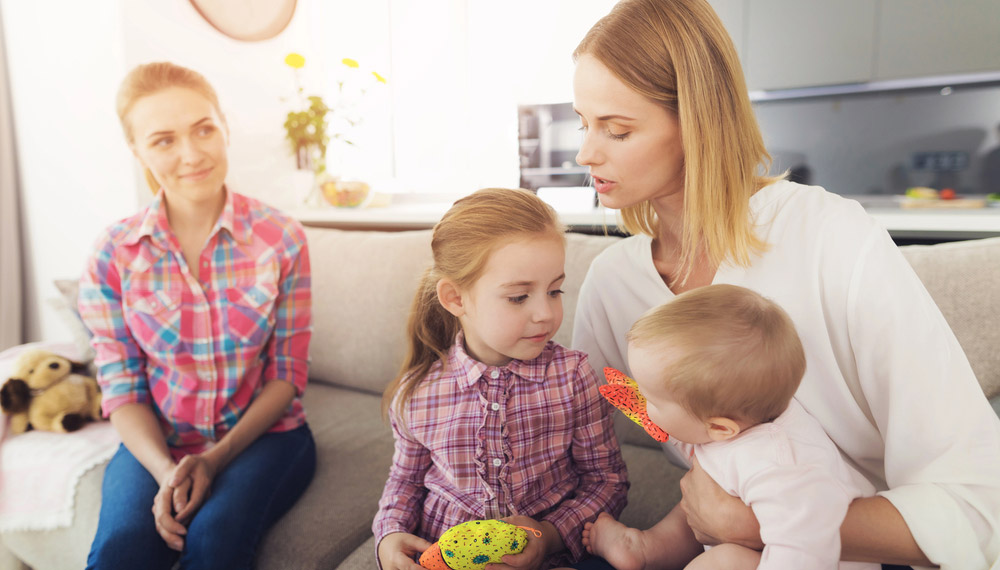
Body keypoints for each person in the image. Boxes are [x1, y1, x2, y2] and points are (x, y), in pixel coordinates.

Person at [569, 0, 1000, 568]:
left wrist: (749, 519)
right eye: (583, 122)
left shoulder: (829, 236)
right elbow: (592, 412)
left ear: (695, 123)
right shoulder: (614, 282)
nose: (585, 153)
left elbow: (981, 509)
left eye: (617, 130)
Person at [78, 62, 316, 570]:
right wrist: (167, 471)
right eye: (163, 140)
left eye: (204, 129)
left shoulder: (282, 238)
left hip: (266, 437)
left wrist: (214, 459)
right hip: (158, 441)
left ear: (224, 126)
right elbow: (121, 386)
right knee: (121, 551)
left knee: (215, 544)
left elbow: (286, 374)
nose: (192, 154)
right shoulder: (113, 252)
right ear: (137, 150)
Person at [373, 188, 629, 570]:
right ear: (456, 299)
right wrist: (389, 536)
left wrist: (547, 536)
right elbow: (405, 483)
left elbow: (607, 482)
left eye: (555, 290)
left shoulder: (573, 377)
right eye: (518, 297)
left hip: (552, 555)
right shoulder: (418, 393)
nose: (545, 313)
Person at [583, 284, 878, 570]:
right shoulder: (740, 417)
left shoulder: (779, 468)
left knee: (723, 562)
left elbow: (805, 549)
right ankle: (644, 548)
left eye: (653, 400)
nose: (643, 403)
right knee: (698, 500)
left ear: (721, 429)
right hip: (745, 536)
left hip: (808, 561)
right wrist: (655, 417)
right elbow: (703, 444)